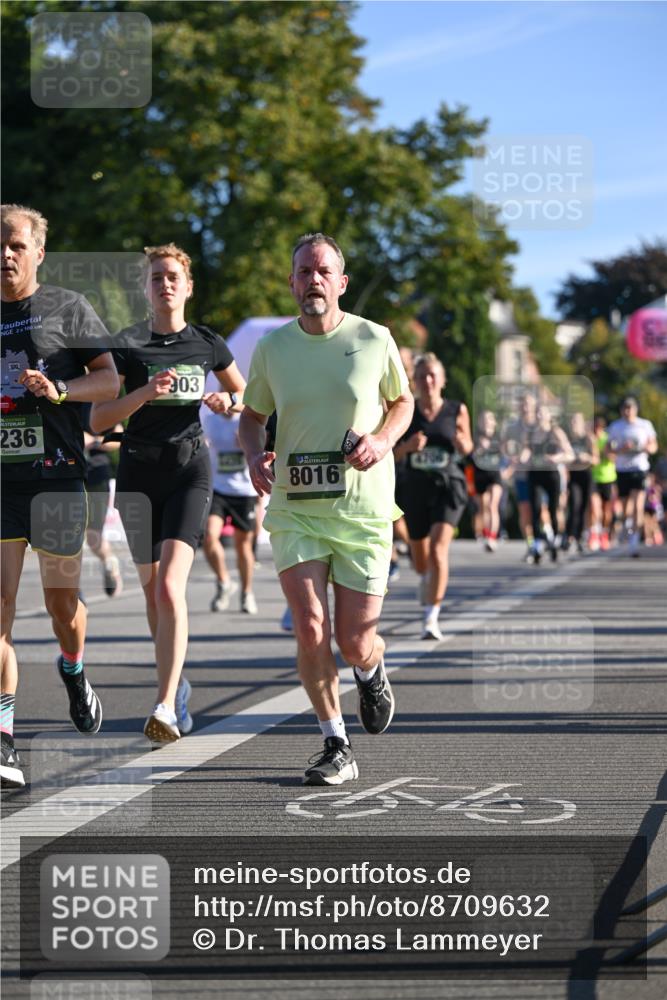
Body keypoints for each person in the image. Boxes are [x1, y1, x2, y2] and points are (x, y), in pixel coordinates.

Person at [239, 233, 413, 786]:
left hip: (363, 510)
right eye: (303, 272)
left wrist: (381, 440)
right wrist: (253, 455)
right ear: (292, 283)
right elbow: (252, 416)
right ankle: (336, 742)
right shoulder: (272, 348)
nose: (312, 279)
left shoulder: (374, 337)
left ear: (341, 282)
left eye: (322, 271)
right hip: (296, 508)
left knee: (354, 640)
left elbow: (402, 402)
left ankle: (371, 667)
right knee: (310, 625)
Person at [91, 243, 245, 744]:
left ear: (188, 286)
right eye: (156, 277)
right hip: (138, 473)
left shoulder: (207, 342)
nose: (165, 284)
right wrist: (143, 393)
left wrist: (226, 401)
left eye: (173, 276)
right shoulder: (126, 345)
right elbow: (98, 418)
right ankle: (177, 685)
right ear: (146, 287)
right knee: (152, 594)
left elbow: (245, 396)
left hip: (188, 470)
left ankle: (164, 704)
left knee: (168, 588)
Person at [1, 204, 119, 788]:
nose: (5, 254)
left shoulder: (67, 307)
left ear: (38, 253)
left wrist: (60, 389)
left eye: (16, 245)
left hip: (56, 477)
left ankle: (73, 667)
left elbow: (111, 379)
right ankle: (4, 740)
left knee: (61, 608)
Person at [394, 353, 473, 640]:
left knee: (439, 550)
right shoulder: (406, 410)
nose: (427, 381)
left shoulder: (456, 409)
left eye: (432, 375)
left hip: (448, 485)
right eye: (421, 376)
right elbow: (389, 453)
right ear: (413, 381)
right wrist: (407, 447)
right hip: (415, 487)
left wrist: (463, 444)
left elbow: (468, 446)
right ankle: (426, 579)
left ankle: (431, 617)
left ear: (442, 380)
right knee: (421, 561)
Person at [201, 405, 258, 614]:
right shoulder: (210, 420)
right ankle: (224, 581)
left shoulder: (248, 419)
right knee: (209, 537)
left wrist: (248, 444)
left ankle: (246, 593)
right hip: (218, 489)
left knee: (243, 546)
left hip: (244, 491)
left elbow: (264, 446)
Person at [606, 396, 658, 557]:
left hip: (639, 468)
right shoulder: (616, 426)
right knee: (625, 508)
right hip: (622, 469)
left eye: (630, 408)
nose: (627, 411)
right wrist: (621, 449)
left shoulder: (645, 425)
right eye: (625, 408)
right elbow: (608, 449)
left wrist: (647, 448)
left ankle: (634, 541)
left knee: (638, 506)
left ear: (636, 409)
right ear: (621, 410)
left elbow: (653, 446)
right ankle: (628, 529)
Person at [81, 404, 123, 597]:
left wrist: (93, 441)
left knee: (93, 536)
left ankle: (109, 564)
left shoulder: (97, 402)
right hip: (63, 476)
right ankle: (72, 593)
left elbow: (118, 437)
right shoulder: (54, 400)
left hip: (95, 477)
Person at [523, 404, 574, 563]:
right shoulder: (530, 433)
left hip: (552, 474)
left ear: (549, 416)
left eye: (542, 413)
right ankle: (537, 543)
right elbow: (526, 451)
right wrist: (523, 457)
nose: (539, 416)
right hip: (535, 474)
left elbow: (570, 454)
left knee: (553, 509)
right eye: (537, 413)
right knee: (536, 508)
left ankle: (554, 540)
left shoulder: (555, 432)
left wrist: (556, 458)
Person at [563, 411, 597, 553]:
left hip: (586, 475)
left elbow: (596, 460)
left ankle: (580, 537)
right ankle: (569, 536)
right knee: (574, 505)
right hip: (573, 476)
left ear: (582, 423)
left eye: (576, 421)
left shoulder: (588, 438)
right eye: (572, 421)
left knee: (583, 507)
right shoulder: (568, 440)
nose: (574, 424)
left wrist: (587, 457)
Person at [472, 408, 505, 552]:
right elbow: (469, 457)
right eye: (483, 420)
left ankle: (492, 537)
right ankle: (486, 534)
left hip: (495, 475)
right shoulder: (475, 438)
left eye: (489, 419)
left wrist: (507, 470)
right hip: (480, 475)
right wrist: (478, 449)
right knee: (483, 508)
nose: (486, 422)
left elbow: (508, 455)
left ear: (494, 422)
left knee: (492, 505)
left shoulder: (499, 437)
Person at [589, 414, 617, 551]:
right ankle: (594, 534)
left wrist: (605, 452)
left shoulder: (608, 439)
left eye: (599, 428)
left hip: (608, 478)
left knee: (606, 511)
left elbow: (614, 457)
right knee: (595, 508)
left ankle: (604, 534)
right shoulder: (589, 439)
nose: (596, 431)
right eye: (594, 428)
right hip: (594, 478)